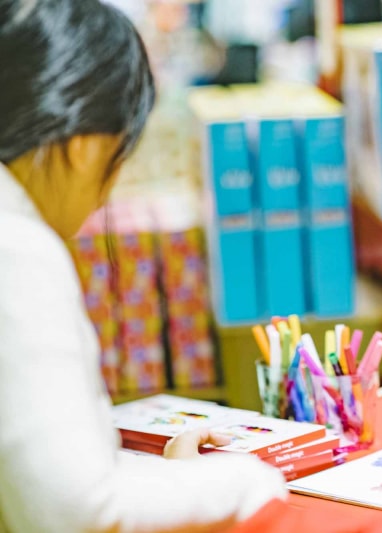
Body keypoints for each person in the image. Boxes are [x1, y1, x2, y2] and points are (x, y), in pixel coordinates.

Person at [0, 1, 287, 532]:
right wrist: (243, 481)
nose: (106, 193)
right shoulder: (19, 251)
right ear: (87, 145)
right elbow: (77, 510)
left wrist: (167, 480)